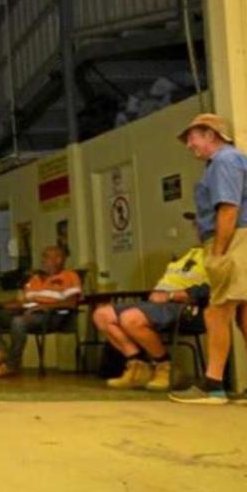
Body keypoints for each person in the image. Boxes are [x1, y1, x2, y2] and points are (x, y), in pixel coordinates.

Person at [169, 113, 247, 405]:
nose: (189, 144)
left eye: (193, 137)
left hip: (235, 239)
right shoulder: (232, 160)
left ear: (211, 135)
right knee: (243, 315)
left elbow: (228, 209)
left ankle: (212, 385)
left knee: (217, 312)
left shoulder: (224, 162)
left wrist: (218, 253)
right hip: (241, 237)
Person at [92, 240, 208, 391]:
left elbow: (213, 289)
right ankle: (138, 366)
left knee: (130, 318)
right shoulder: (190, 253)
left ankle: (166, 366)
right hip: (157, 303)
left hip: (186, 306)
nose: (199, 226)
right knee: (102, 314)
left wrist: (171, 295)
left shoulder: (220, 254)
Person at [0, 245, 82, 378]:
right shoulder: (35, 279)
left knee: (18, 321)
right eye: (43, 256)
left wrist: (43, 307)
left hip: (51, 316)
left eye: (46, 257)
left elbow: (71, 303)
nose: (42, 260)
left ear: (59, 259)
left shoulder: (70, 276)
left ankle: (12, 365)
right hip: (27, 311)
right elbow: (22, 301)